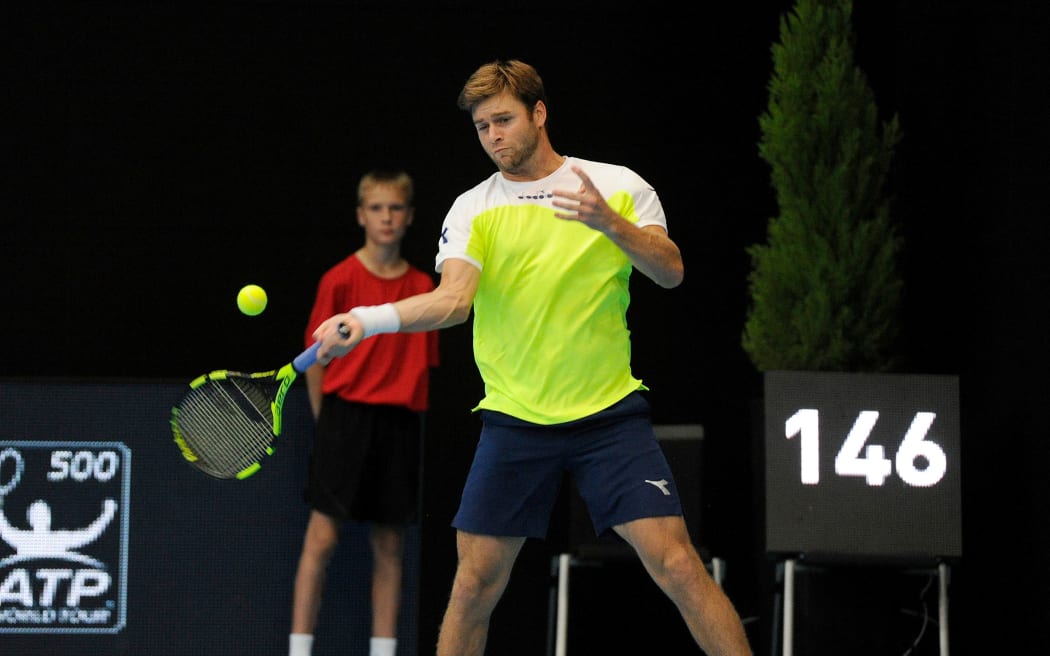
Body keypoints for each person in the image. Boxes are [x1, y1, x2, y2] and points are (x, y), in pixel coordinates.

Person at [312, 60, 752, 655]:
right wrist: (367, 320)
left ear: (539, 113)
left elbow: (670, 271)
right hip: (515, 422)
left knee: (678, 564)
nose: (493, 136)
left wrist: (608, 222)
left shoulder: (617, 185)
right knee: (472, 586)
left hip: (608, 417)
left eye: (504, 120)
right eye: (482, 127)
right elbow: (453, 301)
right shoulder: (472, 207)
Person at [289, 170, 439, 656]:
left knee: (390, 545)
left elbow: (423, 366)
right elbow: (317, 359)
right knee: (321, 539)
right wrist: (325, 421)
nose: (386, 217)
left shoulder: (424, 287)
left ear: (409, 216)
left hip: (398, 426)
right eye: (376, 208)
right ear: (361, 216)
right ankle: (299, 649)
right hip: (343, 420)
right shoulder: (339, 280)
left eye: (395, 208)